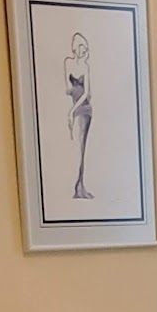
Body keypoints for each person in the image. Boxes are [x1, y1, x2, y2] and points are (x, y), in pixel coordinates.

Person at [65, 33, 93, 200]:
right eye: (81, 46)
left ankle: (79, 185)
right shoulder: (68, 62)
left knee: (80, 149)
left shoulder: (85, 67)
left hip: (84, 110)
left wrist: (72, 110)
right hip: (73, 108)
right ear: (76, 47)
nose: (83, 50)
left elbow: (87, 93)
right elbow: (66, 88)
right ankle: (78, 186)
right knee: (75, 149)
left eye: (85, 47)